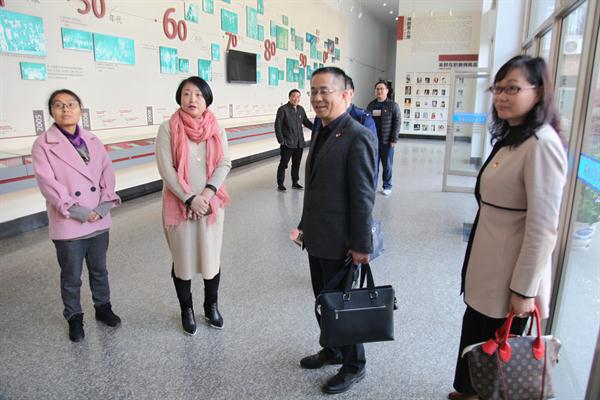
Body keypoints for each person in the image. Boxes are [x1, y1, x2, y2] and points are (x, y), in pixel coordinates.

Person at [450, 55, 567, 400]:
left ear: (539, 92)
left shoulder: (542, 145)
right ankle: (470, 389)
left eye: (512, 89)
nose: (501, 96)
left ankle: (485, 392)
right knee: (477, 328)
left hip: (509, 271)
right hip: (489, 260)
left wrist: (524, 289)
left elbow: (543, 227)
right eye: (498, 89)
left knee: (498, 339)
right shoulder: (515, 136)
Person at [297, 67, 377, 394]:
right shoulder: (322, 130)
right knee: (324, 300)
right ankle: (332, 349)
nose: (317, 98)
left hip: (342, 242)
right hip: (318, 236)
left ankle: (354, 364)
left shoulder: (358, 135)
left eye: (324, 91)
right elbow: (317, 186)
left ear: (346, 94)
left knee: (342, 305)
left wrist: (361, 245)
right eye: (313, 91)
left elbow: (363, 196)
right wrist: (304, 225)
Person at [32, 89, 122, 342]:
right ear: (51, 111)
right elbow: (48, 183)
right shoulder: (43, 144)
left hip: (98, 218)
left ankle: (103, 308)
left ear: (80, 109)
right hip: (69, 221)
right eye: (59, 105)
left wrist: (102, 207)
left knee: (99, 270)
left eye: (71, 104)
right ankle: (74, 317)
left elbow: (107, 173)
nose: (66, 109)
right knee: (71, 276)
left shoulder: (92, 140)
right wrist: (81, 211)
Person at [155, 76, 231, 335]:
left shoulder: (217, 128)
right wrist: (190, 198)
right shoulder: (168, 128)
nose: (192, 99)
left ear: (207, 99)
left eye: (198, 94)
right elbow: (166, 168)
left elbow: (224, 163)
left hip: (210, 206)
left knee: (211, 258)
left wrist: (206, 196)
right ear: (179, 97)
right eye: (187, 93)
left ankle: (211, 306)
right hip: (180, 206)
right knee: (183, 260)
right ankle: (186, 309)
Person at [312, 75, 377, 140]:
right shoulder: (322, 116)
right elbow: (315, 142)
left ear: (350, 94)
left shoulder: (363, 118)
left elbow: (369, 145)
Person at [274, 89, 313, 191]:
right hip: (287, 143)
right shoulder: (283, 109)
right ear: (289, 97)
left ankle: (295, 182)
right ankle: (280, 184)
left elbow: (306, 122)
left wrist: (317, 128)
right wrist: (281, 140)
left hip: (299, 143)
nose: (296, 99)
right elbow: (277, 125)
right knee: (284, 164)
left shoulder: (301, 109)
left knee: (296, 164)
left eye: (298, 97)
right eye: (294, 96)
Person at [367, 81, 401, 196]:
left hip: (387, 141)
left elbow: (397, 123)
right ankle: (373, 186)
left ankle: (387, 186)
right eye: (377, 89)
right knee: (373, 165)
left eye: (382, 89)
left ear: (387, 91)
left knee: (387, 165)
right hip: (373, 141)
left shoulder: (393, 105)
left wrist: (394, 139)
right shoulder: (371, 105)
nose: (379, 91)